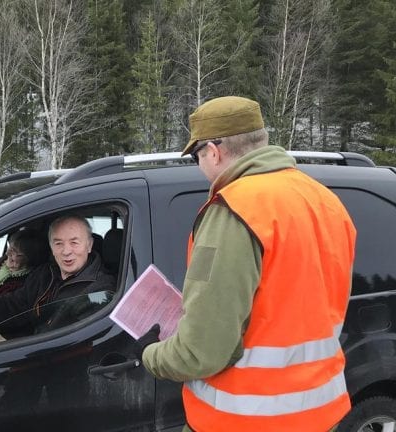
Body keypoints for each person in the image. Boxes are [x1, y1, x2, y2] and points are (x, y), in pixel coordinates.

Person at [136, 96, 356, 432]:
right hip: (320, 413)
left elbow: (203, 350)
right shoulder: (325, 201)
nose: (199, 165)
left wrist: (151, 354)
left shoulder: (234, 210)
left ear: (214, 150)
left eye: (197, 155)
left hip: (246, 420)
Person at [0, 215, 115, 336]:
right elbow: (12, 307)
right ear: (51, 247)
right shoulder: (45, 274)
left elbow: (66, 343)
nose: (66, 251)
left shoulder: (100, 290)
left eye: (74, 242)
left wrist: (15, 347)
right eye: (58, 243)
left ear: (89, 245)